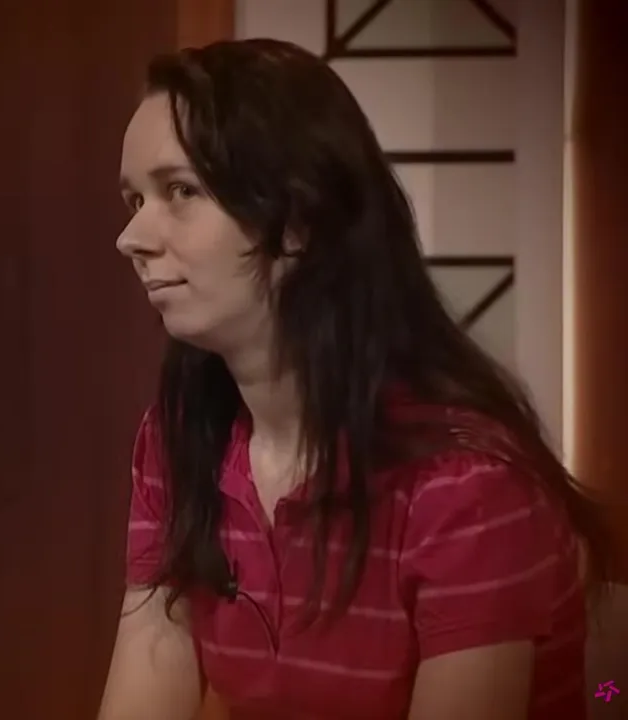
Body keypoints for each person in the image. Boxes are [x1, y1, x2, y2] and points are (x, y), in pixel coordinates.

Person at [99, 39, 612, 720]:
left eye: (180, 191)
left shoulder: (464, 480)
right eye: (134, 199)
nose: (132, 237)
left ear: (297, 222)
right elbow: (147, 677)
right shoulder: (178, 438)